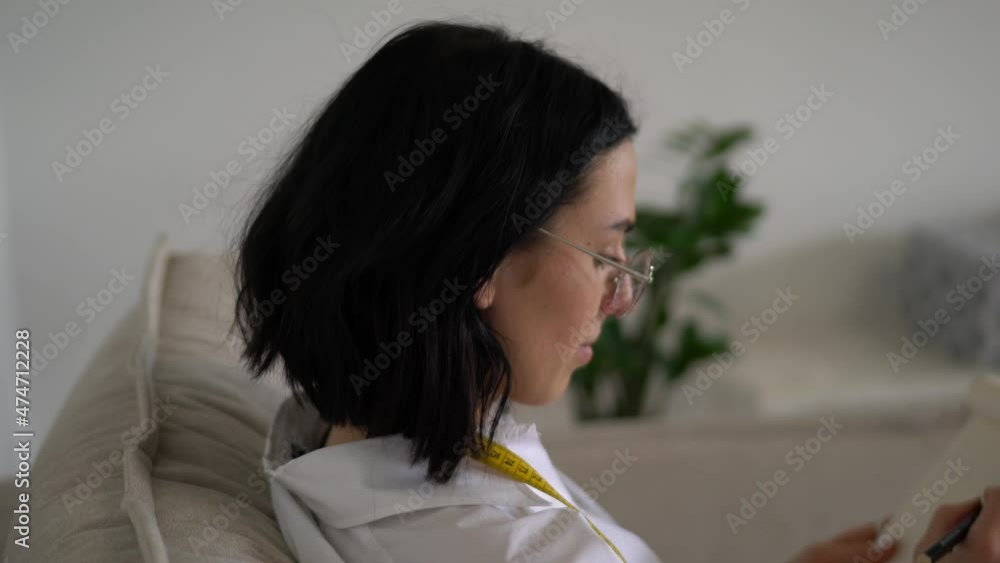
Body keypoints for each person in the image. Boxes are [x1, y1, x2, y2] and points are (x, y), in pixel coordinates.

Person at [230, 19, 1000, 563]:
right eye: (604, 254)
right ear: (479, 265)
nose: (624, 297)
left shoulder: (339, 439)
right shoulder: (503, 544)